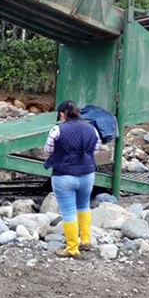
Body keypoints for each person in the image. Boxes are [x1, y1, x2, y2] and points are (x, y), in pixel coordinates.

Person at [44, 100, 101, 258]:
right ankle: (85, 240)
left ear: (63, 114)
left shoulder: (57, 129)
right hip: (87, 174)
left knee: (69, 212)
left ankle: (72, 248)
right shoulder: (92, 128)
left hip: (64, 175)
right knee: (84, 206)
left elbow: (48, 150)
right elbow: (96, 149)